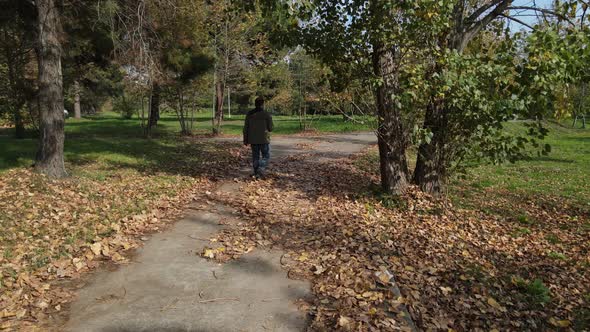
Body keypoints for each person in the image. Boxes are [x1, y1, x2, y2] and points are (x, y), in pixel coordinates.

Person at [243, 97, 274, 178]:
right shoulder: (266, 114)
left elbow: (246, 127)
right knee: (266, 156)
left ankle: (256, 173)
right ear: (262, 104)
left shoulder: (249, 114)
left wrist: (245, 139)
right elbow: (270, 128)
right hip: (264, 139)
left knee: (255, 156)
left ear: (255, 104)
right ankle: (261, 167)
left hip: (253, 139)